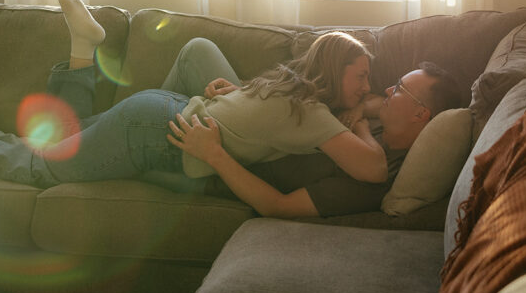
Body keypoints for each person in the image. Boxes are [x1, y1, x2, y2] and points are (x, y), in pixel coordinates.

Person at [0, 0, 388, 206]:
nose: (365, 86)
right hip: (155, 133)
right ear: (333, 73)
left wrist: (232, 99)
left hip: (159, 110)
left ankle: (79, 54)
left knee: (67, 138)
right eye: (360, 77)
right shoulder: (314, 116)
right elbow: (372, 171)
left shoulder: (285, 83)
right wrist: (361, 118)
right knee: (44, 169)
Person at [171, 57, 461, 218]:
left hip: (218, 161)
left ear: (420, 115)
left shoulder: (370, 179)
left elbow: (278, 207)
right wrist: (245, 94)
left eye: (398, 88)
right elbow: (366, 99)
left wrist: (215, 155)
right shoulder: (381, 123)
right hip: (246, 127)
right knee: (195, 53)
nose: (386, 90)